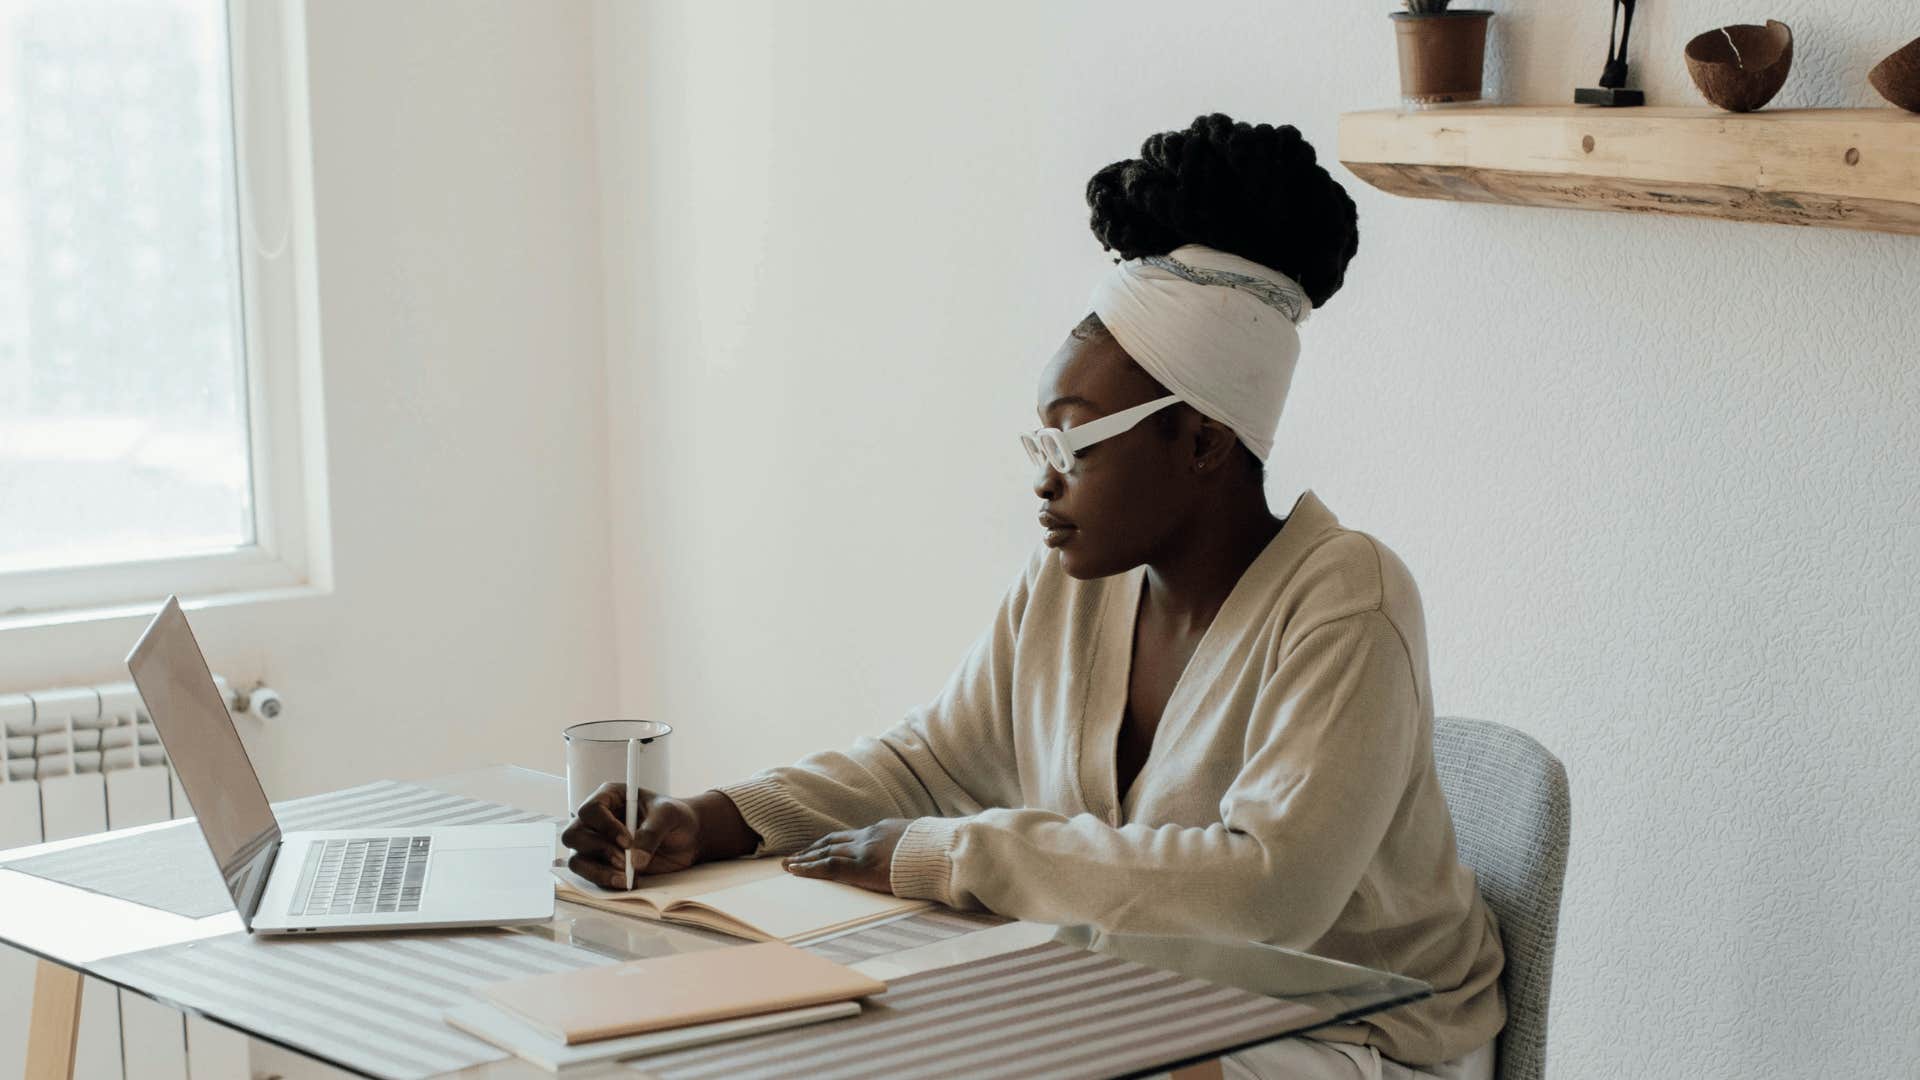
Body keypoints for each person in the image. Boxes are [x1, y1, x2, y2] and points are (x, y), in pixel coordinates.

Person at [562, 113, 1505, 1080]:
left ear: (1203, 443)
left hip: (1359, 1033)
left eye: (1076, 440)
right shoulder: (1073, 589)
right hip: (1158, 1000)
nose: (1045, 479)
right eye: (1040, 441)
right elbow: (927, 765)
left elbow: (1267, 896)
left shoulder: (1349, 601)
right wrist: (710, 818)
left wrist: (947, 855)